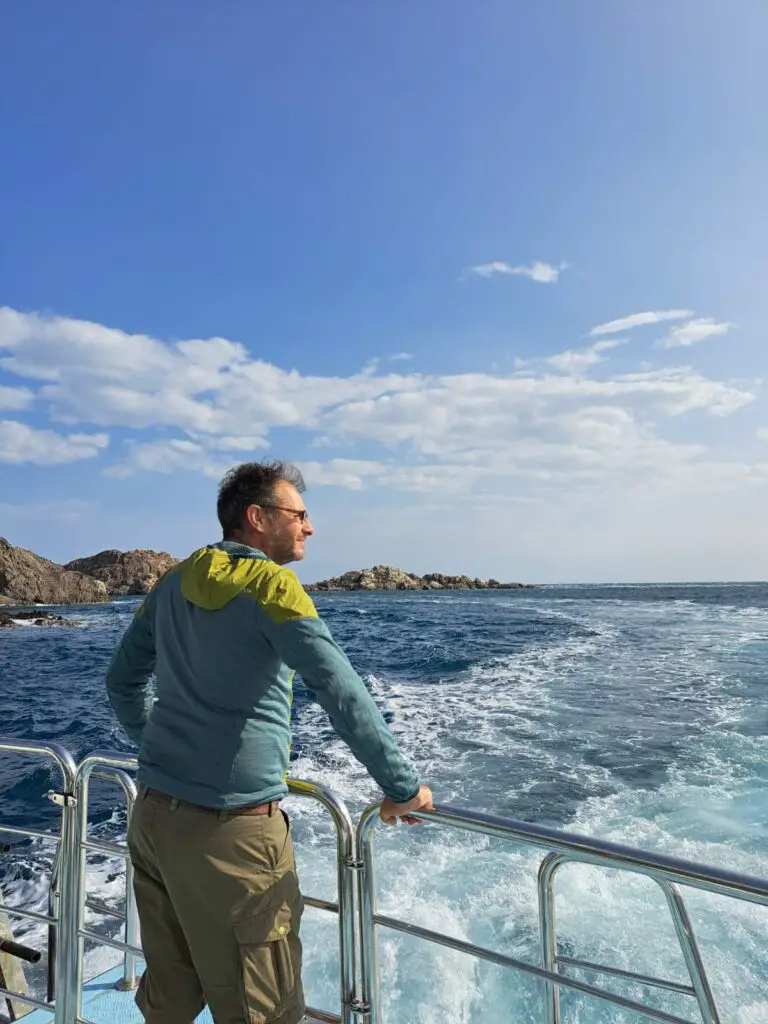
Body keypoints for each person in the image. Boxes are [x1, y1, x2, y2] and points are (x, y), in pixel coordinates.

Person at [106, 459, 433, 1024]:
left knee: (171, 995)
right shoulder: (272, 585)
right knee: (267, 1008)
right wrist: (401, 787)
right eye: (299, 514)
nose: (309, 527)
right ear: (257, 518)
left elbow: (122, 682)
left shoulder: (173, 582)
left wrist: (159, 750)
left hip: (155, 817)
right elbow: (338, 688)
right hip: (235, 836)